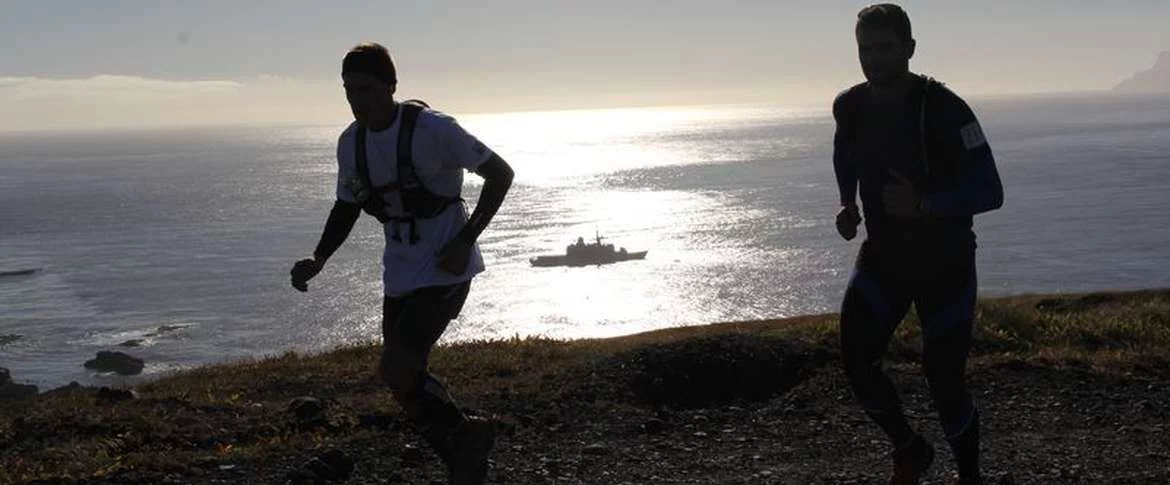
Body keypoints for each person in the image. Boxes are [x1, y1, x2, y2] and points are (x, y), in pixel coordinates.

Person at [290, 42, 514, 485]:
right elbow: (346, 205)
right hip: (401, 267)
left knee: (398, 366)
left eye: (367, 89)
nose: (357, 99)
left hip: (447, 263)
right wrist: (319, 257)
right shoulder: (351, 144)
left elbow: (500, 174)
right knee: (401, 378)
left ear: (391, 86)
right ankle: (464, 453)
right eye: (349, 90)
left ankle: (466, 446)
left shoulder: (435, 130)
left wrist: (465, 240)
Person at [831, 4, 1004, 485]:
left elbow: (991, 191)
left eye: (886, 48)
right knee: (856, 359)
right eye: (867, 50)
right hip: (885, 258)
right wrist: (848, 204)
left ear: (909, 48)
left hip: (944, 265)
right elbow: (843, 152)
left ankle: (970, 477)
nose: (875, 59)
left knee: (945, 381)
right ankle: (911, 450)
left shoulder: (946, 108)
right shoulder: (850, 105)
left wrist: (924, 205)